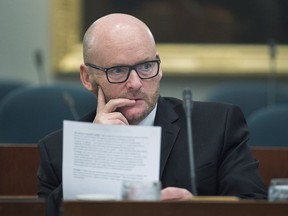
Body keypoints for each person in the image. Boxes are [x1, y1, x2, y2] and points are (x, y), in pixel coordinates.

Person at [37, 13, 267, 216]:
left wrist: (200, 209)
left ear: (159, 66)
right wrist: (96, 151)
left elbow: (255, 206)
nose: (135, 83)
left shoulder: (218, 125)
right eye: (117, 70)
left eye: (146, 66)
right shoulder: (58, 150)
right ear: (88, 78)